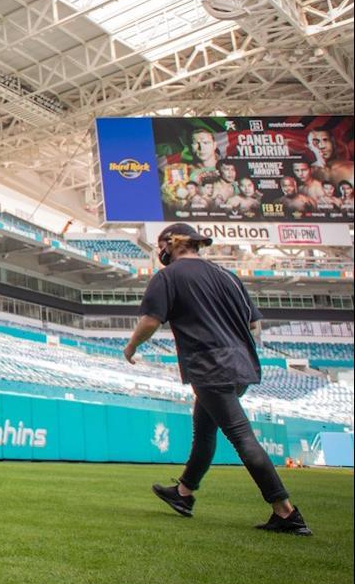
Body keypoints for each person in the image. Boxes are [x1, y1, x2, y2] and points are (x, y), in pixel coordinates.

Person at [125, 223, 310, 536]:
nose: (160, 251)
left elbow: (151, 320)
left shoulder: (169, 276)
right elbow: (254, 325)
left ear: (172, 243)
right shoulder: (228, 276)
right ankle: (183, 493)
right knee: (204, 430)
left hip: (209, 366)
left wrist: (131, 346)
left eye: (161, 245)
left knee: (242, 437)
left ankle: (286, 512)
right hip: (242, 365)